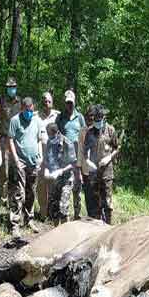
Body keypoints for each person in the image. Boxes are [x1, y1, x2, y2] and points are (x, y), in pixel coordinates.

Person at [8, 97, 43, 237]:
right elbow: (10, 140)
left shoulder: (36, 121)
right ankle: (15, 224)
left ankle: (29, 220)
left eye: (30, 109)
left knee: (31, 192)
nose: (28, 112)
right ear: (21, 108)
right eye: (26, 109)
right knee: (18, 193)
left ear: (33, 108)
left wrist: (41, 156)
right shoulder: (15, 120)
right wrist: (15, 159)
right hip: (20, 162)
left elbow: (39, 140)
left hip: (33, 162)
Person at [56, 90, 86, 220]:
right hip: (65, 161)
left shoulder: (79, 117)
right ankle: (65, 219)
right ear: (65, 103)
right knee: (65, 190)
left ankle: (77, 217)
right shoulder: (60, 118)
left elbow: (85, 136)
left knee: (77, 191)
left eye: (71, 103)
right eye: (67, 103)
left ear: (74, 102)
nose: (69, 105)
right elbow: (55, 136)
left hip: (78, 160)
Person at [43, 122, 77, 225]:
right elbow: (47, 159)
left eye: (51, 135)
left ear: (57, 133)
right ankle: (56, 231)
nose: (50, 137)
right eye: (48, 135)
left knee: (63, 206)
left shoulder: (67, 143)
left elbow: (73, 163)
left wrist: (61, 170)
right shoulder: (49, 142)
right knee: (54, 207)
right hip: (54, 179)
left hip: (66, 179)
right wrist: (46, 169)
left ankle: (65, 231)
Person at [0, 77, 21, 202]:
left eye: (13, 87)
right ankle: (3, 197)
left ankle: (14, 196)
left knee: (15, 169)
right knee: (3, 171)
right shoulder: (0, 101)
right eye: (9, 87)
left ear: (16, 87)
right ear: (7, 88)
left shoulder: (20, 102)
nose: (12, 89)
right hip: (4, 139)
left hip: (16, 141)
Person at [36, 92, 61, 220]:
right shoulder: (36, 116)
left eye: (49, 101)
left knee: (52, 184)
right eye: (45, 101)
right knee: (41, 185)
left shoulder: (58, 116)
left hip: (54, 156)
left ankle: (52, 212)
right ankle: (43, 212)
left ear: (52, 102)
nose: (47, 103)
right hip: (40, 154)